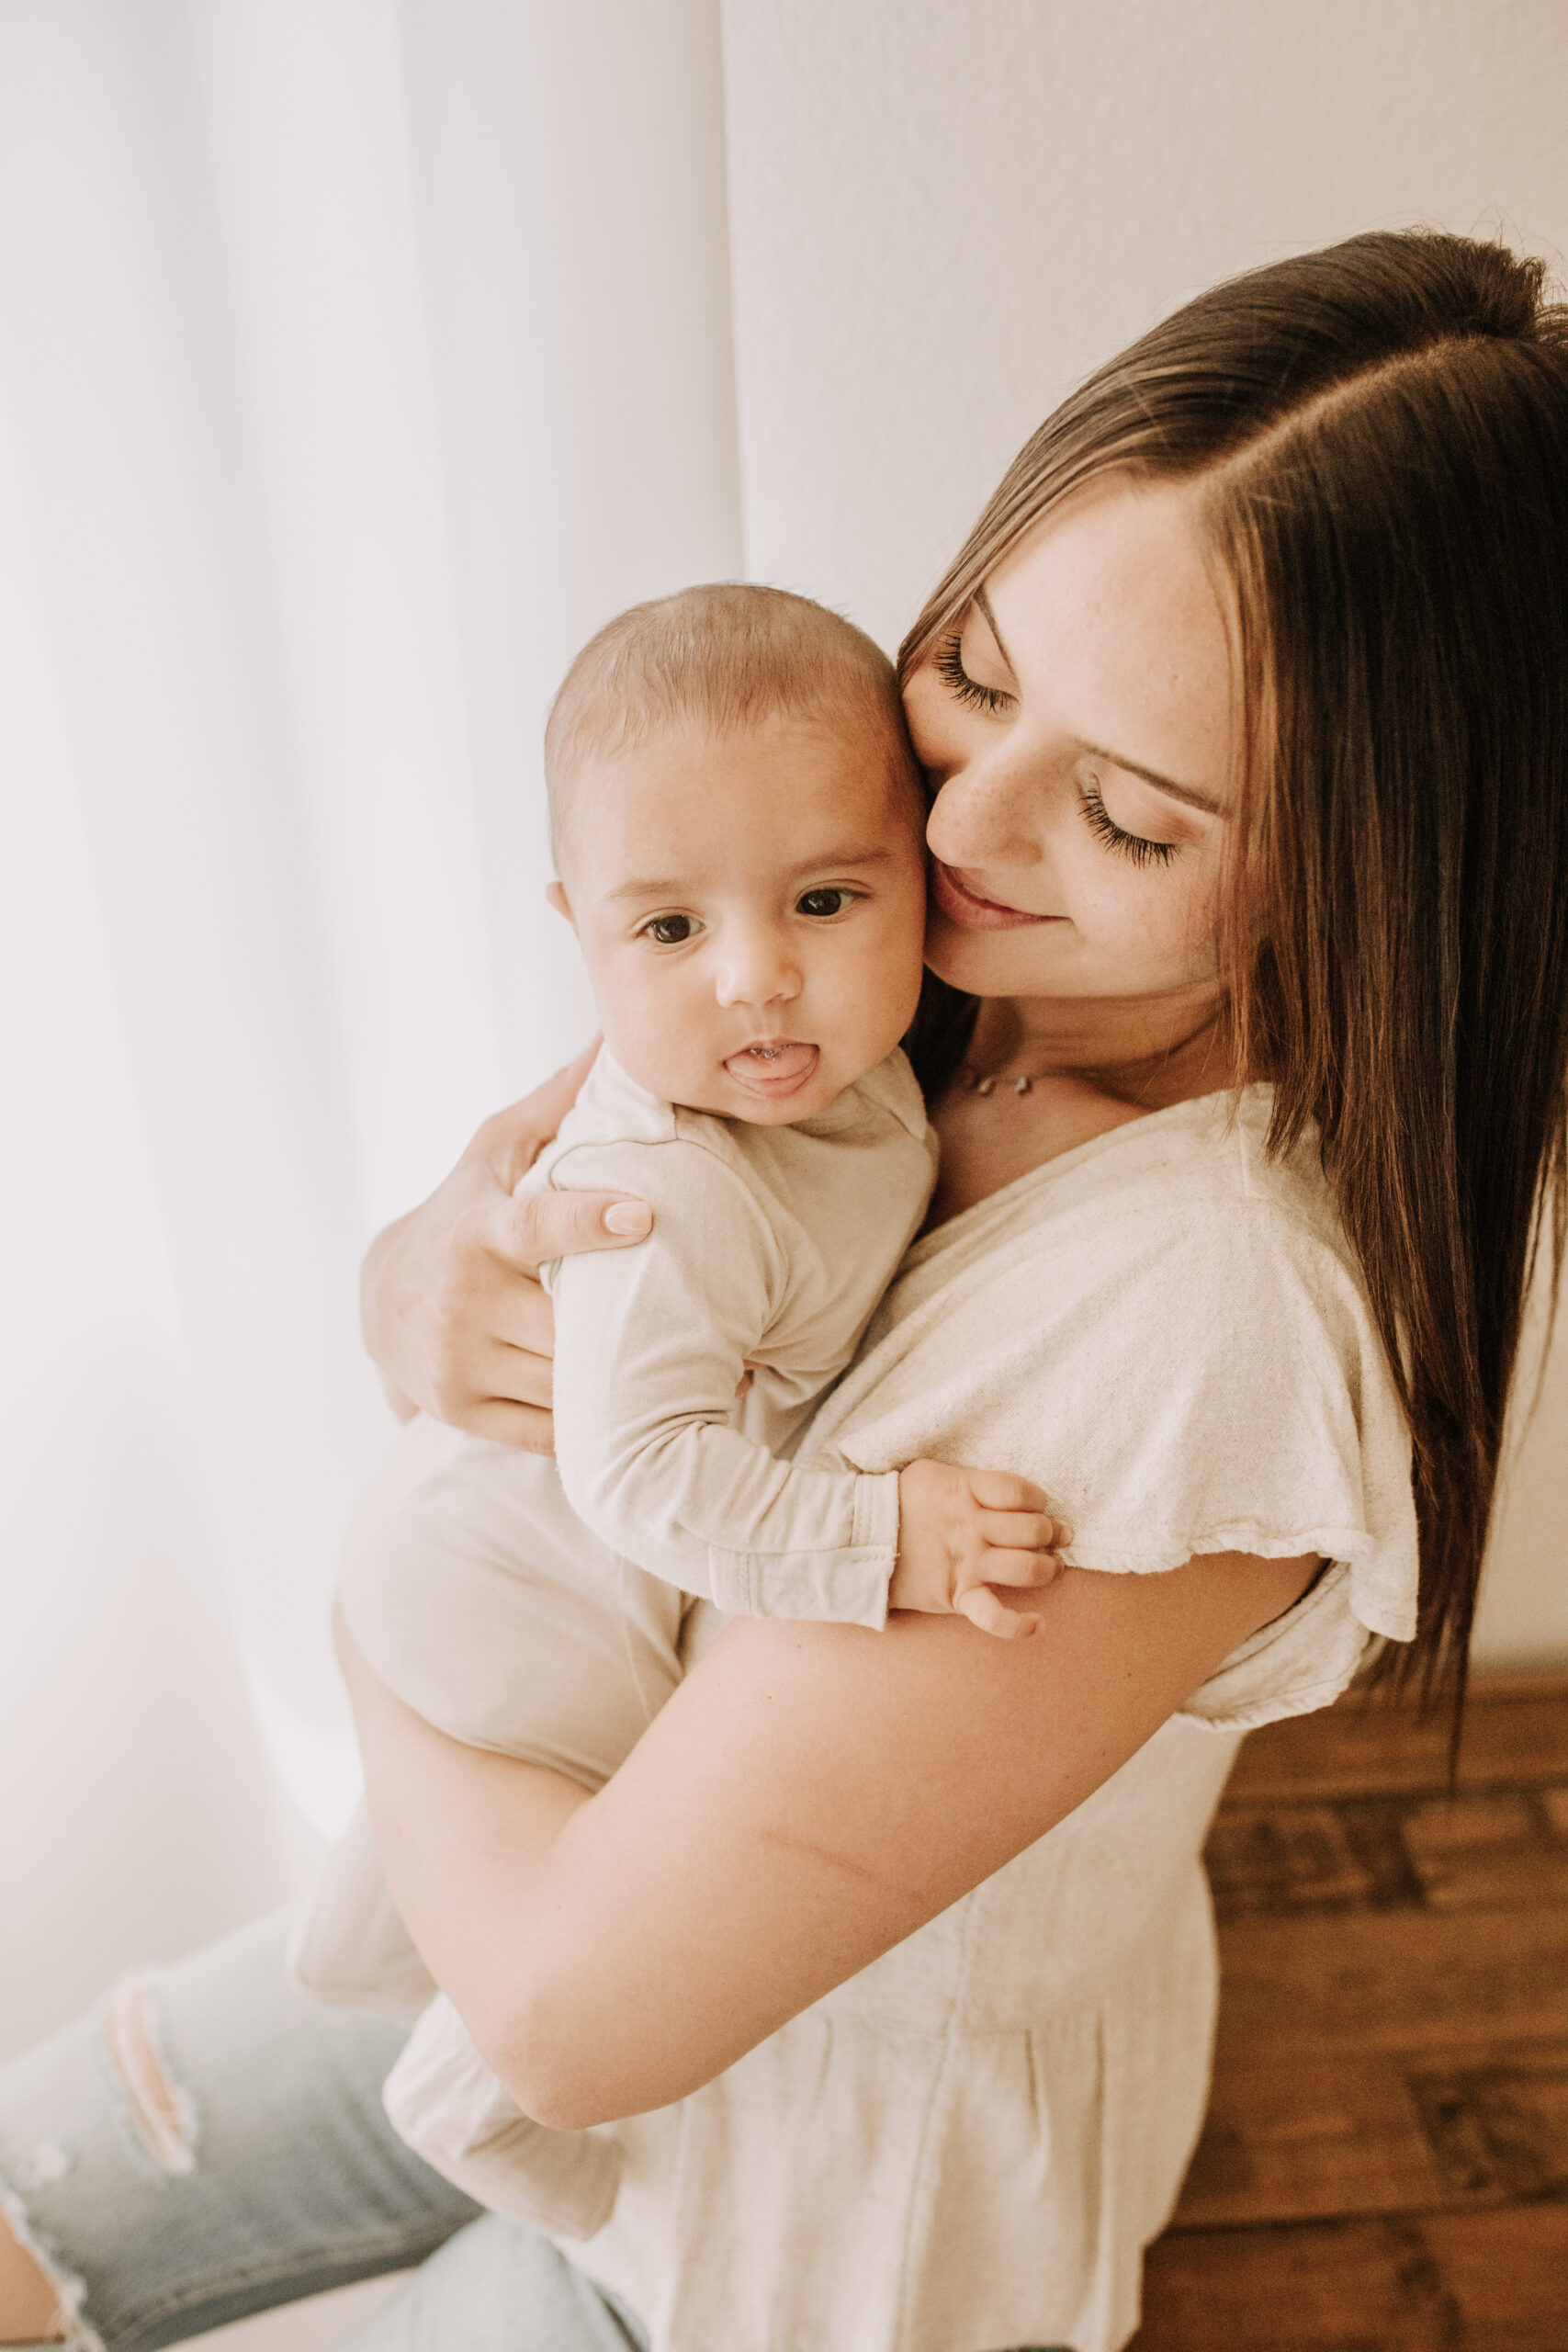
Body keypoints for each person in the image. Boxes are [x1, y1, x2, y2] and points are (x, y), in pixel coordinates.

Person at [3, 227, 1565, 2352]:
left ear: (1369, 874)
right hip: (509, 1880)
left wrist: (377, 1593)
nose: (955, 823)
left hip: (782, 2215)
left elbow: (568, 2010)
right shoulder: (927, 949)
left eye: (1118, 811)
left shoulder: (1205, 1311)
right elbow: (523, 1193)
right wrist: (420, 1284)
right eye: (983, 676)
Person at [297, 580, 1065, 2221]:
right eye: (670, 931)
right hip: (504, 1575)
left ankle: (376, 1987)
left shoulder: (842, 1091)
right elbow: (648, 1486)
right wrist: (884, 1544)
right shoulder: (662, 1193)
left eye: (823, 901)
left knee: (464, 1842)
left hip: (518, 1555)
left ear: (915, 870)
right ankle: (467, 2098)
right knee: (582, 1840)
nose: (753, 982)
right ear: (580, 926)